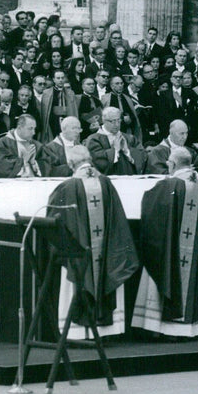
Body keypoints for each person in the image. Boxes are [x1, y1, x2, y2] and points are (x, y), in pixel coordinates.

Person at [48, 144, 140, 340]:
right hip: (105, 256)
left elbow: (54, 222)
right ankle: (106, 331)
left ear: (71, 163)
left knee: (79, 274)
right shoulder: (105, 183)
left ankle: (79, 333)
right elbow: (118, 223)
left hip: (80, 258)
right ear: (89, 160)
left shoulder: (67, 187)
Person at [131, 148, 198, 337]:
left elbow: (151, 212)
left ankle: (166, 329)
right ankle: (194, 328)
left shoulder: (167, 186)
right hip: (194, 254)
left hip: (172, 254)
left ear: (173, 164)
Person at [85, 107, 146, 175]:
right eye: (113, 121)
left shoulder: (129, 138)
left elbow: (143, 157)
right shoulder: (94, 140)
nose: (117, 124)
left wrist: (127, 151)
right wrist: (115, 150)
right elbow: (97, 162)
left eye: (118, 120)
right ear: (104, 120)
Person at [0, 113, 50, 178]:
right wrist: (23, 160)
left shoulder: (36, 145)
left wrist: (33, 163)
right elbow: (0, 168)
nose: (34, 132)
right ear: (19, 128)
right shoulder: (3, 144)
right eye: (30, 129)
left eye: (34, 129)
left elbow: (48, 166)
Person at [39, 70, 79, 143]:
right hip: (53, 122)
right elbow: (44, 112)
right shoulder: (46, 93)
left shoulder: (70, 93)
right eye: (58, 78)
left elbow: (73, 110)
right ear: (54, 79)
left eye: (62, 78)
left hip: (66, 121)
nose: (60, 80)